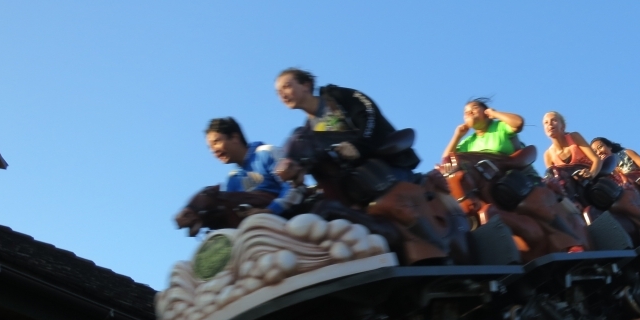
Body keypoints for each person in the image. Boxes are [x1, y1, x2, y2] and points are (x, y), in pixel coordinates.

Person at [274, 68, 420, 175]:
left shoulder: (337, 96)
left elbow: (370, 115)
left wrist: (359, 147)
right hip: (357, 179)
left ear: (306, 85)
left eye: (287, 86)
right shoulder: (308, 132)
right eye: (278, 92)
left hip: (389, 166)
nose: (282, 95)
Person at [203, 117, 295, 215]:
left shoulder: (267, 153)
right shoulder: (232, 180)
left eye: (216, 142)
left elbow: (293, 186)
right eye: (210, 147)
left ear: (235, 137)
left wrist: (269, 211)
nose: (213, 150)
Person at [442, 99, 525, 159]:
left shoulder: (500, 126)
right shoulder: (468, 142)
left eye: (474, 108)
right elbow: (446, 160)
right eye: (466, 112)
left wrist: (494, 113)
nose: (469, 112)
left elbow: (518, 123)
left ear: (486, 112)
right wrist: (457, 136)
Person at [542, 111, 601, 179]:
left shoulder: (574, 137)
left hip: (589, 179)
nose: (549, 124)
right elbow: (552, 178)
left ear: (563, 126)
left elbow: (596, 159)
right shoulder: (548, 155)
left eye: (554, 120)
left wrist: (591, 174)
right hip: (569, 183)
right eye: (546, 122)